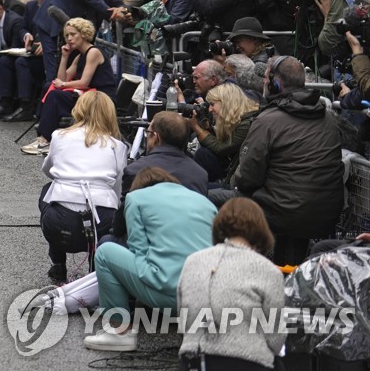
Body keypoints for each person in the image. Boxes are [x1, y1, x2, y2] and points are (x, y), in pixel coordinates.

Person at [226, 55, 344, 264]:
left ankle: (239, 271)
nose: (263, 83)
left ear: (275, 83)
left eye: (265, 79)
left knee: (219, 198)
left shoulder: (268, 121)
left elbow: (247, 178)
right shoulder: (329, 118)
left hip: (287, 213)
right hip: (326, 213)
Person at [85, 167, 217, 353]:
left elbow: (139, 250)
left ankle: (119, 332)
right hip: (209, 298)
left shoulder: (135, 199)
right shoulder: (205, 202)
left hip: (171, 295)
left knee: (106, 253)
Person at [177, 198, 286, 370]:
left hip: (194, 360)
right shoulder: (268, 270)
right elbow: (275, 337)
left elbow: (184, 318)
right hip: (246, 361)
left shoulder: (192, 261)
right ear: (261, 231)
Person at [39, 91, 128, 283]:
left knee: (48, 191)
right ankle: (94, 274)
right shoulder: (117, 146)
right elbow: (118, 187)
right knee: (108, 216)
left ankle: (58, 264)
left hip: (60, 223)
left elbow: (48, 169)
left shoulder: (59, 135)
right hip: (101, 218)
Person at [23, 17, 119, 156]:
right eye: (67, 35)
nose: (69, 38)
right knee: (49, 86)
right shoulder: (79, 56)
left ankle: (45, 140)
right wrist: (64, 57)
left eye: (73, 34)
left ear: (84, 34)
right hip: (88, 95)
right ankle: (44, 133)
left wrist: (63, 84)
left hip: (101, 99)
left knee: (56, 96)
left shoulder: (94, 52)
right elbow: (62, 79)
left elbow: (83, 82)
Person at [32, 0, 124, 84]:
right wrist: (112, 14)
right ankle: (49, 99)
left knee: (71, 73)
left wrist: (122, 10)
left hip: (77, 32)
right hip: (52, 23)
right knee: (53, 73)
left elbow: (118, 3)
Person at [121, 112, 209, 196]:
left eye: (148, 133)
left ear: (156, 137)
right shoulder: (200, 175)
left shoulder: (135, 171)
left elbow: (126, 209)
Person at [188, 82, 260, 184]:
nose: (210, 109)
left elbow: (222, 148)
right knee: (204, 154)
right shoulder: (236, 117)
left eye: (212, 104)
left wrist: (196, 128)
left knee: (203, 155)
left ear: (226, 103)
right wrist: (205, 127)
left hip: (238, 181)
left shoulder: (247, 123)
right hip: (230, 169)